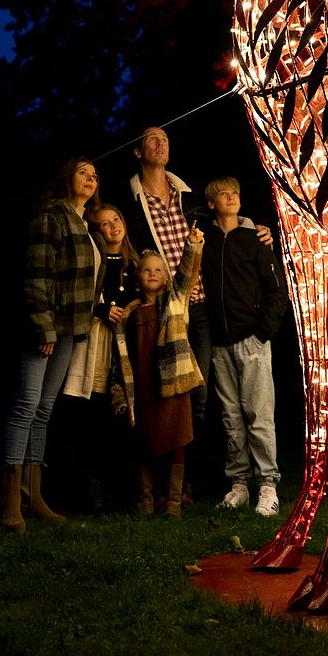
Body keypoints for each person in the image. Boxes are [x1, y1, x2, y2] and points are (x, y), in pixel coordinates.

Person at [122, 125, 274, 501]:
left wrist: (255, 227)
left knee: (201, 395)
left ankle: (192, 479)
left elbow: (226, 224)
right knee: (159, 392)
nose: (161, 144)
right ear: (138, 153)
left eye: (166, 139)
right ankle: (156, 481)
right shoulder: (132, 201)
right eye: (151, 140)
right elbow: (124, 248)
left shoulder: (188, 197)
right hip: (165, 308)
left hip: (203, 306)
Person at [1, 156, 106, 532]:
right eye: (83, 172)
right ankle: (10, 502)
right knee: (25, 405)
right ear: (66, 178)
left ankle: (34, 495)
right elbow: (37, 274)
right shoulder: (52, 215)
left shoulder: (86, 224)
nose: (91, 179)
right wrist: (43, 327)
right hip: (45, 327)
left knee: (44, 409)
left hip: (70, 329)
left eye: (95, 175)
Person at [201, 176, 288, 517]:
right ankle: (238, 484)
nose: (232, 197)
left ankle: (268, 485)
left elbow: (277, 291)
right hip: (220, 345)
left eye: (236, 192)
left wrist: (262, 332)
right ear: (212, 203)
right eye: (223, 193)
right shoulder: (204, 239)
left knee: (259, 416)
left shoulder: (255, 240)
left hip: (251, 340)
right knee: (231, 417)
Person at [110, 224, 205, 518]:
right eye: (146, 270)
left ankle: (174, 501)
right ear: (138, 278)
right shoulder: (129, 315)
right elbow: (120, 362)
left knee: (176, 439)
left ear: (165, 278)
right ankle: (146, 500)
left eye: (158, 270)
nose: (152, 273)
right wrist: (120, 397)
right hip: (143, 387)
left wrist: (193, 244)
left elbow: (188, 272)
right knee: (143, 441)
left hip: (174, 385)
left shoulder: (174, 301)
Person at [58, 203, 139, 513]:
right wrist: (102, 309)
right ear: (97, 230)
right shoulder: (95, 261)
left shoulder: (136, 261)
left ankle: (122, 491)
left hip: (125, 347)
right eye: (105, 224)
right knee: (91, 414)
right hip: (95, 343)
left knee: (121, 416)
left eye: (116, 219)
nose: (113, 227)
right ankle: (89, 492)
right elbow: (82, 296)